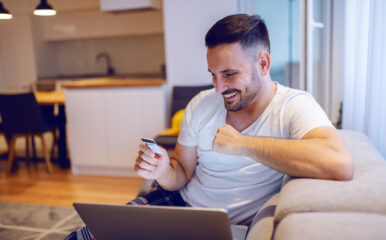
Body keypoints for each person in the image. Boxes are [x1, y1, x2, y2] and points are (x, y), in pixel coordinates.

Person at [66, 13, 353, 240]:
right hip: (177, 205)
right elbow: (181, 173)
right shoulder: (201, 104)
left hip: (227, 227)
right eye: (213, 75)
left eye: (229, 74)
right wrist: (163, 169)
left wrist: (243, 144)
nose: (218, 88)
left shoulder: (294, 106)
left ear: (263, 63)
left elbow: (339, 163)